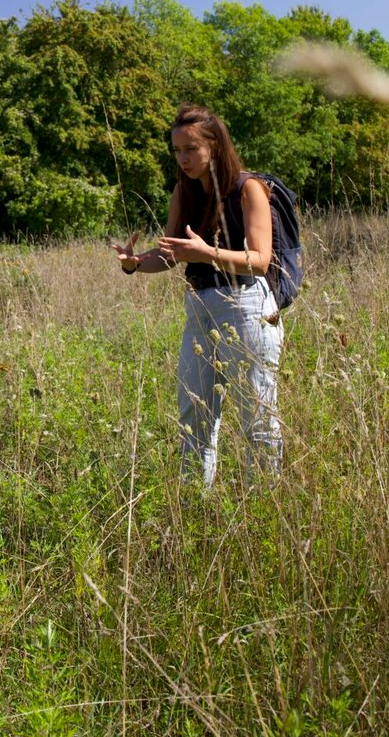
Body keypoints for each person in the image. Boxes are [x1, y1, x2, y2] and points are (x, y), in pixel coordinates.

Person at [110, 104, 283, 487]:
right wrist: (136, 262)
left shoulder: (248, 188)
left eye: (191, 149)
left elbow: (260, 260)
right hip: (200, 307)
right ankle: (194, 507)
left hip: (247, 306)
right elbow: (170, 257)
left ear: (215, 147)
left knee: (256, 416)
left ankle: (265, 510)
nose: (182, 158)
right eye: (177, 150)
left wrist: (207, 253)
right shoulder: (183, 191)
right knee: (194, 416)